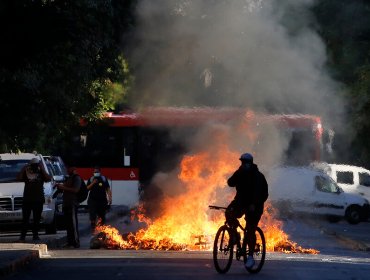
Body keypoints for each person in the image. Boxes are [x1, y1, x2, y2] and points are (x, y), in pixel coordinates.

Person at [226, 153, 268, 269]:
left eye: (246, 162)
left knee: (250, 229)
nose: (244, 164)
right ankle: (235, 235)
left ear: (251, 163)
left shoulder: (258, 177)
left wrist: (254, 204)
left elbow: (264, 194)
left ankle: (250, 256)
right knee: (229, 212)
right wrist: (238, 173)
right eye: (242, 162)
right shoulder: (240, 173)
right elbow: (230, 183)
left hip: (255, 206)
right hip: (241, 202)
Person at [17, 157, 52, 241]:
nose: (35, 167)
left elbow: (48, 179)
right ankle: (23, 236)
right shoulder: (27, 172)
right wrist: (23, 169)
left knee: (36, 219)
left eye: (36, 165)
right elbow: (18, 178)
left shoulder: (41, 173)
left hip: (38, 199)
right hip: (27, 199)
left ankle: (35, 235)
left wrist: (42, 168)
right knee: (25, 219)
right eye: (33, 165)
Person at [56, 166, 81, 248]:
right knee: (68, 225)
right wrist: (60, 186)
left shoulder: (77, 178)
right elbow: (65, 188)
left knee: (73, 225)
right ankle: (70, 242)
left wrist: (63, 187)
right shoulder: (68, 178)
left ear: (73, 169)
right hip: (66, 204)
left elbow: (76, 190)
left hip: (73, 204)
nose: (68, 170)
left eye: (69, 168)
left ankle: (76, 242)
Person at [86, 167, 112, 234]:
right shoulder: (91, 179)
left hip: (102, 200)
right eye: (95, 172)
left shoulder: (103, 179)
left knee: (102, 216)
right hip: (92, 200)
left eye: (97, 172)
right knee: (92, 216)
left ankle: (102, 231)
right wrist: (93, 183)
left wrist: (110, 198)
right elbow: (87, 189)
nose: (96, 173)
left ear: (100, 172)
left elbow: (108, 189)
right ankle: (93, 230)